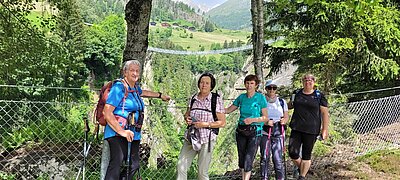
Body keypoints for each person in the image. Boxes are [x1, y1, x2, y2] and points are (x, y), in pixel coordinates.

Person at [103, 60, 170, 179]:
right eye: (132, 70)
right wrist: (122, 131)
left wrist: (160, 95)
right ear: (125, 72)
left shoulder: (133, 88)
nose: (135, 73)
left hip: (134, 132)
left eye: (137, 71)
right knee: (116, 164)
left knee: (134, 165)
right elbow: (107, 112)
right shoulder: (119, 87)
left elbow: (143, 92)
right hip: (118, 132)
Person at [176, 72, 226, 180]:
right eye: (202, 82)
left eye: (207, 83)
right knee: (181, 166)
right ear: (198, 84)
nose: (204, 85)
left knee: (202, 172)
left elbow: (222, 122)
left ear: (211, 85)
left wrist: (205, 124)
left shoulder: (216, 100)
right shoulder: (193, 98)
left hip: (207, 139)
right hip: (192, 137)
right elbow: (187, 113)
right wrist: (187, 119)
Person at [225, 74, 270, 180]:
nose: (249, 85)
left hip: (255, 131)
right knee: (242, 159)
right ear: (245, 84)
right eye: (247, 83)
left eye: (252, 83)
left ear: (256, 85)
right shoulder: (241, 97)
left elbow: (265, 117)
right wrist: (216, 108)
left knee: (248, 159)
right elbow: (228, 110)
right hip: (241, 130)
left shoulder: (260, 98)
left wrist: (252, 120)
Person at [288, 73, 329, 180]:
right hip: (296, 127)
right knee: (293, 152)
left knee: (307, 154)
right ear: (302, 82)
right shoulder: (296, 93)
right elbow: (289, 106)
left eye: (310, 80)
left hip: (312, 130)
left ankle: (302, 176)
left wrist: (324, 130)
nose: (308, 81)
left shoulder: (319, 96)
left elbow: (325, 113)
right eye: (305, 79)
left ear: (314, 82)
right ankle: (303, 168)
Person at [260, 79, 289, 180]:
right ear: (266, 89)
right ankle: (264, 178)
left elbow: (286, 116)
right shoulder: (261, 101)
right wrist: (266, 122)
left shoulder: (281, 102)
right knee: (264, 158)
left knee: (278, 159)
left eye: (274, 88)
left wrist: (284, 121)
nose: (271, 90)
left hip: (278, 131)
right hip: (265, 131)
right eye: (269, 88)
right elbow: (257, 116)